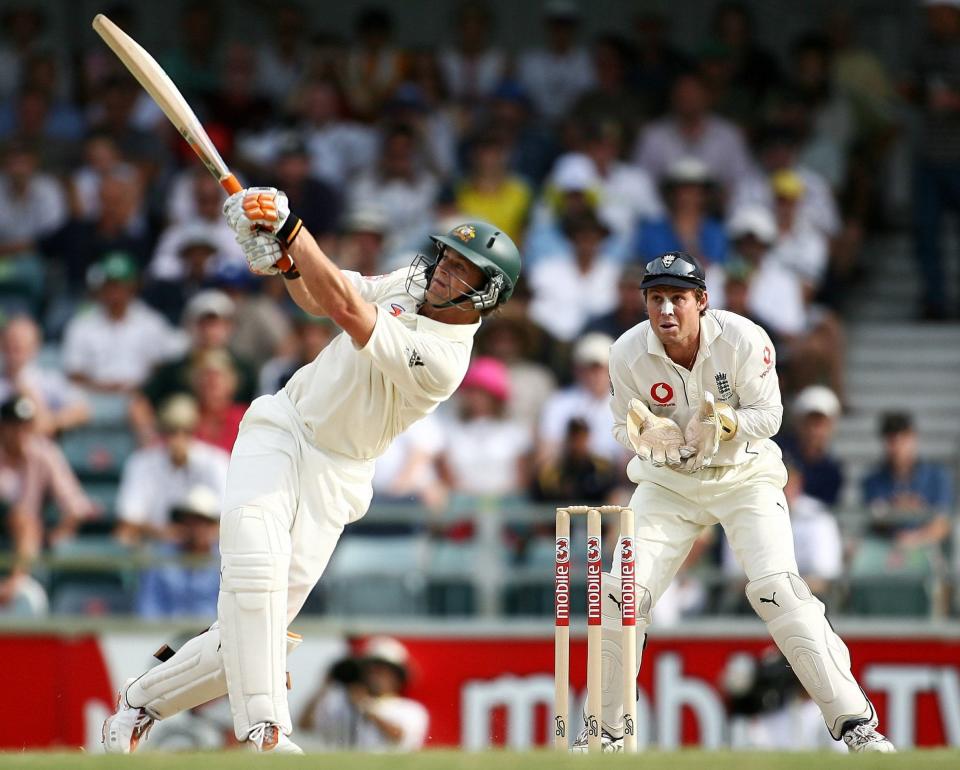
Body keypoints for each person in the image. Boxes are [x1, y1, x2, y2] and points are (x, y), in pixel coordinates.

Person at [101, 183, 521, 754]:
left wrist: (292, 229)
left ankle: (139, 702)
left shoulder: (447, 359)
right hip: (285, 428)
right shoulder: (411, 282)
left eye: (463, 269)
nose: (444, 270)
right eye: (446, 256)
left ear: (488, 294)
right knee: (254, 574)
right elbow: (324, 299)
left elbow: (349, 312)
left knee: (254, 629)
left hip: (340, 475)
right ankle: (266, 730)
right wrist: (287, 263)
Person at [581, 250, 893, 753]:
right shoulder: (626, 353)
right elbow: (621, 423)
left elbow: (770, 416)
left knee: (778, 591)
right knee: (620, 593)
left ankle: (857, 725)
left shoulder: (744, 339)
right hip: (668, 485)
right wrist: (643, 435)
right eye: (655, 299)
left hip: (743, 476)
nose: (666, 311)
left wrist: (725, 423)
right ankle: (609, 734)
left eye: (677, 299)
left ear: (701, 301)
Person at [297, 636, 429, 751]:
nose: (375, 675)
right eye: (371, 669)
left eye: (383, 670)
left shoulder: (410, 709)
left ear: (398, 677)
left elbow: (399, 736)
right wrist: (326, 686)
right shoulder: (343, 706)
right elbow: (304, 725)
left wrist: (365, 706)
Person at [136, 484, 222, 619]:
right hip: (166, 636)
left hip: (213, 637)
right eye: (190, 521)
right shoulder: (161, 559)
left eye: (203, 522)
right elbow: (149, 608)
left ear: (213, 526)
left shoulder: (224, 563)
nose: (196, 529)